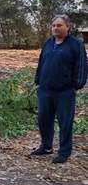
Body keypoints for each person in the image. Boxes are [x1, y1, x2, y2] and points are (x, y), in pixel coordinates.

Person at [31, 14, 87, 163]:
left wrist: (77, 84)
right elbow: (41, 63)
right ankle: (46, 146)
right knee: (44, 119)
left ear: (67, 27)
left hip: (65, 91)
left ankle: (64, 152)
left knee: (65, 122)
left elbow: (81, 66)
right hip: (45, 89)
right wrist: (38, 80)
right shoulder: (48, 43)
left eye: (59, 25)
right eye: (54, 25)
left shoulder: (76, 45)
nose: (56, 28)